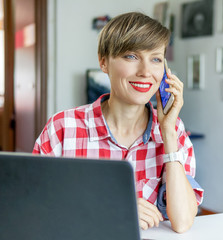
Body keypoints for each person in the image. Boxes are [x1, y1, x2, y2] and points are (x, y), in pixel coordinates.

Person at [33, 12, 204, 233]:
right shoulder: (63, 128)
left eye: (155, 59)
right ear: (104, 62)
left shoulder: (173, 130)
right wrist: (111, 208)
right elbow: (36, 206)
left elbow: (182, 222)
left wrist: (168, 132)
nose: (145, 72)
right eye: (131, 56)